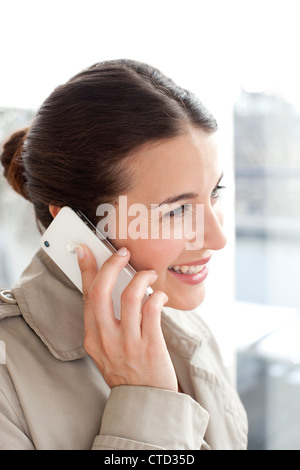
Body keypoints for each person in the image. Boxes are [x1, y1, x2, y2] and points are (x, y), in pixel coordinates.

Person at [0, 59, 248, 450]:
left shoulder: (185, 329)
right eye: (177, 210)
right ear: (77, 225)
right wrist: (145, 402)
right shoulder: (6, 383)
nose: (217, 238)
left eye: (214, 193)